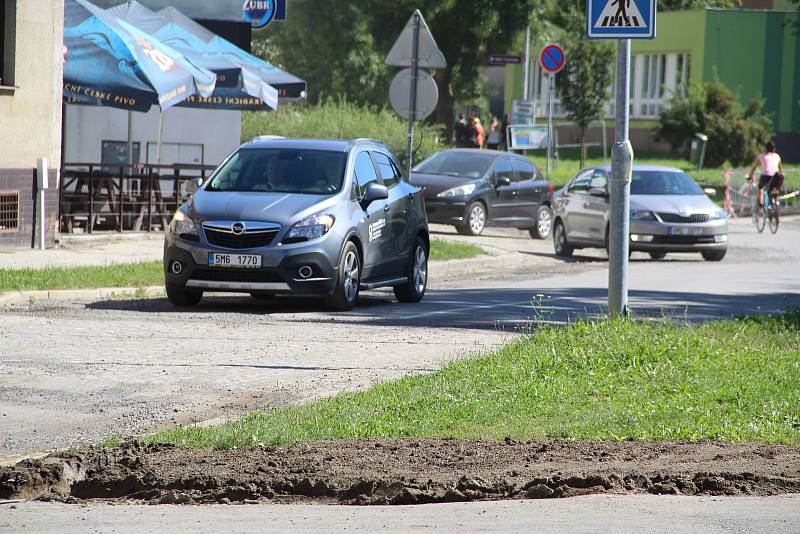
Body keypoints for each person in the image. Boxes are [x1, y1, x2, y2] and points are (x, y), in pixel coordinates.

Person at [747, 141, 784, 206]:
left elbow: (753, 168)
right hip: (776, 177)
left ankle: (760, 204)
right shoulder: (777, 156)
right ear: (774, 149)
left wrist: (749, 176)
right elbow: (780, 170)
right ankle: (775, 190)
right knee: (777, 181)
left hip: (765, 177)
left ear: (765, 148)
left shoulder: (761, 156)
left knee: (760, 188)